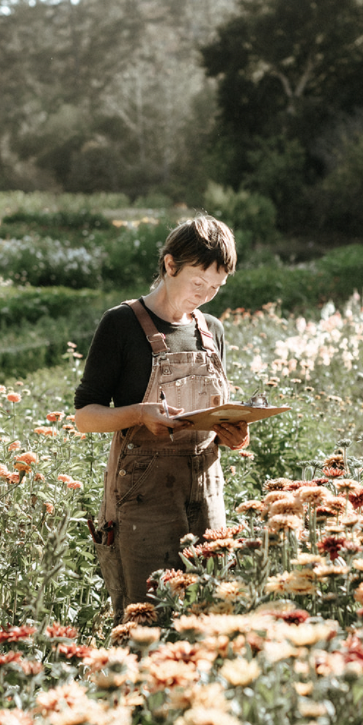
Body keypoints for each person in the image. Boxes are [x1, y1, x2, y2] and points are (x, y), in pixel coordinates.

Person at [74, 215, 249, 622]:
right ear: (170, 265)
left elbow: (218, 415)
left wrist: (234, 436)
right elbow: (85, 416)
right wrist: (139, 414)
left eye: (216, 288)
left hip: (207, 495)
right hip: (143, 501)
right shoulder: (120, 324)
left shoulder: (212, 331)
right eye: (198, 283)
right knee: (146, 621)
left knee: (208, 616)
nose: (205, 296)